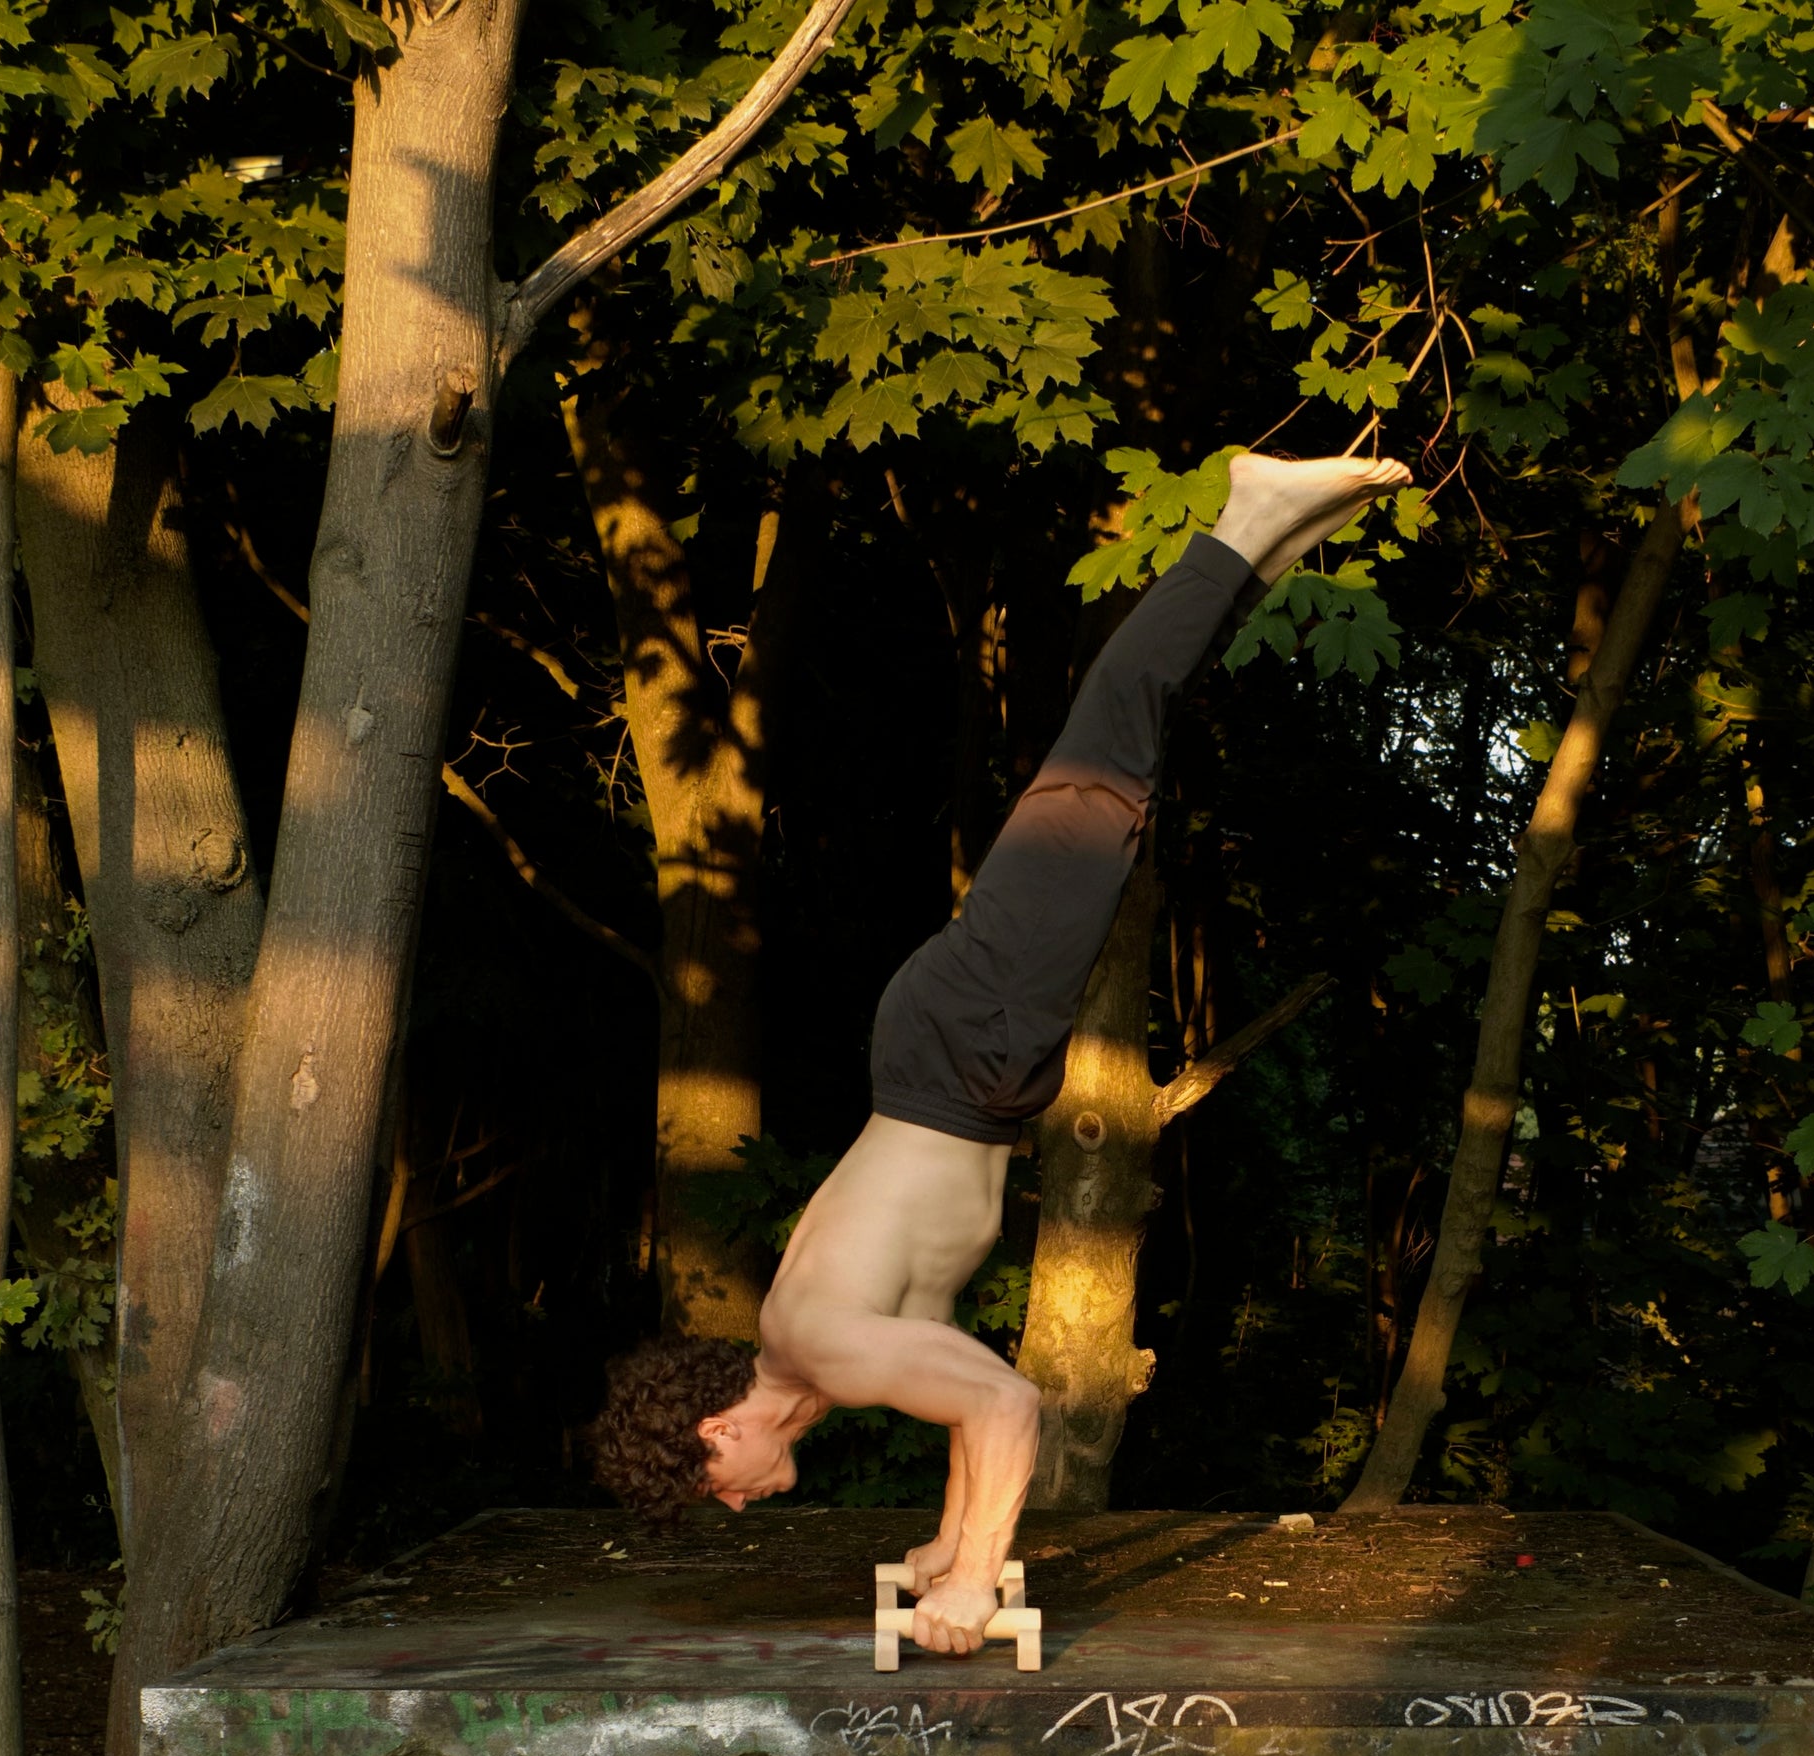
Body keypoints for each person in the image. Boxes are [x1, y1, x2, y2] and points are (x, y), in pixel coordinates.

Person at [589, 450, 1411, 1651]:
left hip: (966, 1046)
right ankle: (1267, 541)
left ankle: (1248, 512)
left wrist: (981, 1574)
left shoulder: (820, 1343)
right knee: (1117, 772)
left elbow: (1008, 1400)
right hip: (959, 1057)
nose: (736, 1500)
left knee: (1099, 769)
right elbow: (971, 1402)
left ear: (720, 1431)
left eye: (716, 1484)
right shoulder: (816, 1360)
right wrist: (949, 1543)